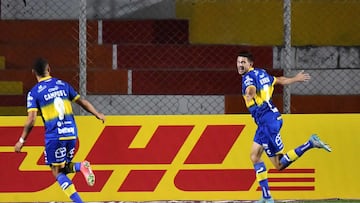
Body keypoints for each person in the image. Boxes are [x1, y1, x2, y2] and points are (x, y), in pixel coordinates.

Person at [236, 51, 331, 203]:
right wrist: (295, 79)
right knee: (254, 156)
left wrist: (250, 94)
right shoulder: (262, 73)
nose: (240, 65)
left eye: (243, 62)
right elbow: (278, 80)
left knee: (278, 164)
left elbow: (251, 89)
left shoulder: (248, 78)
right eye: (239, 62)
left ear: (250, 64)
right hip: (269, 120)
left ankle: (310, 143)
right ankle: (266, 196)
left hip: (267, 123)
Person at [14, 58, 105, 203]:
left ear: (33, 73)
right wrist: (97, 113)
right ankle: (80, 166)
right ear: (49, 69)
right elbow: (82, 102)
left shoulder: (34, 93)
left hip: (55, 136)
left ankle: (79, 199)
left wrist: (21, 140)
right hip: (71, 133)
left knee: (57, 172)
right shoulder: (63, 85)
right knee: (62, 168)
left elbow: (31, 119)